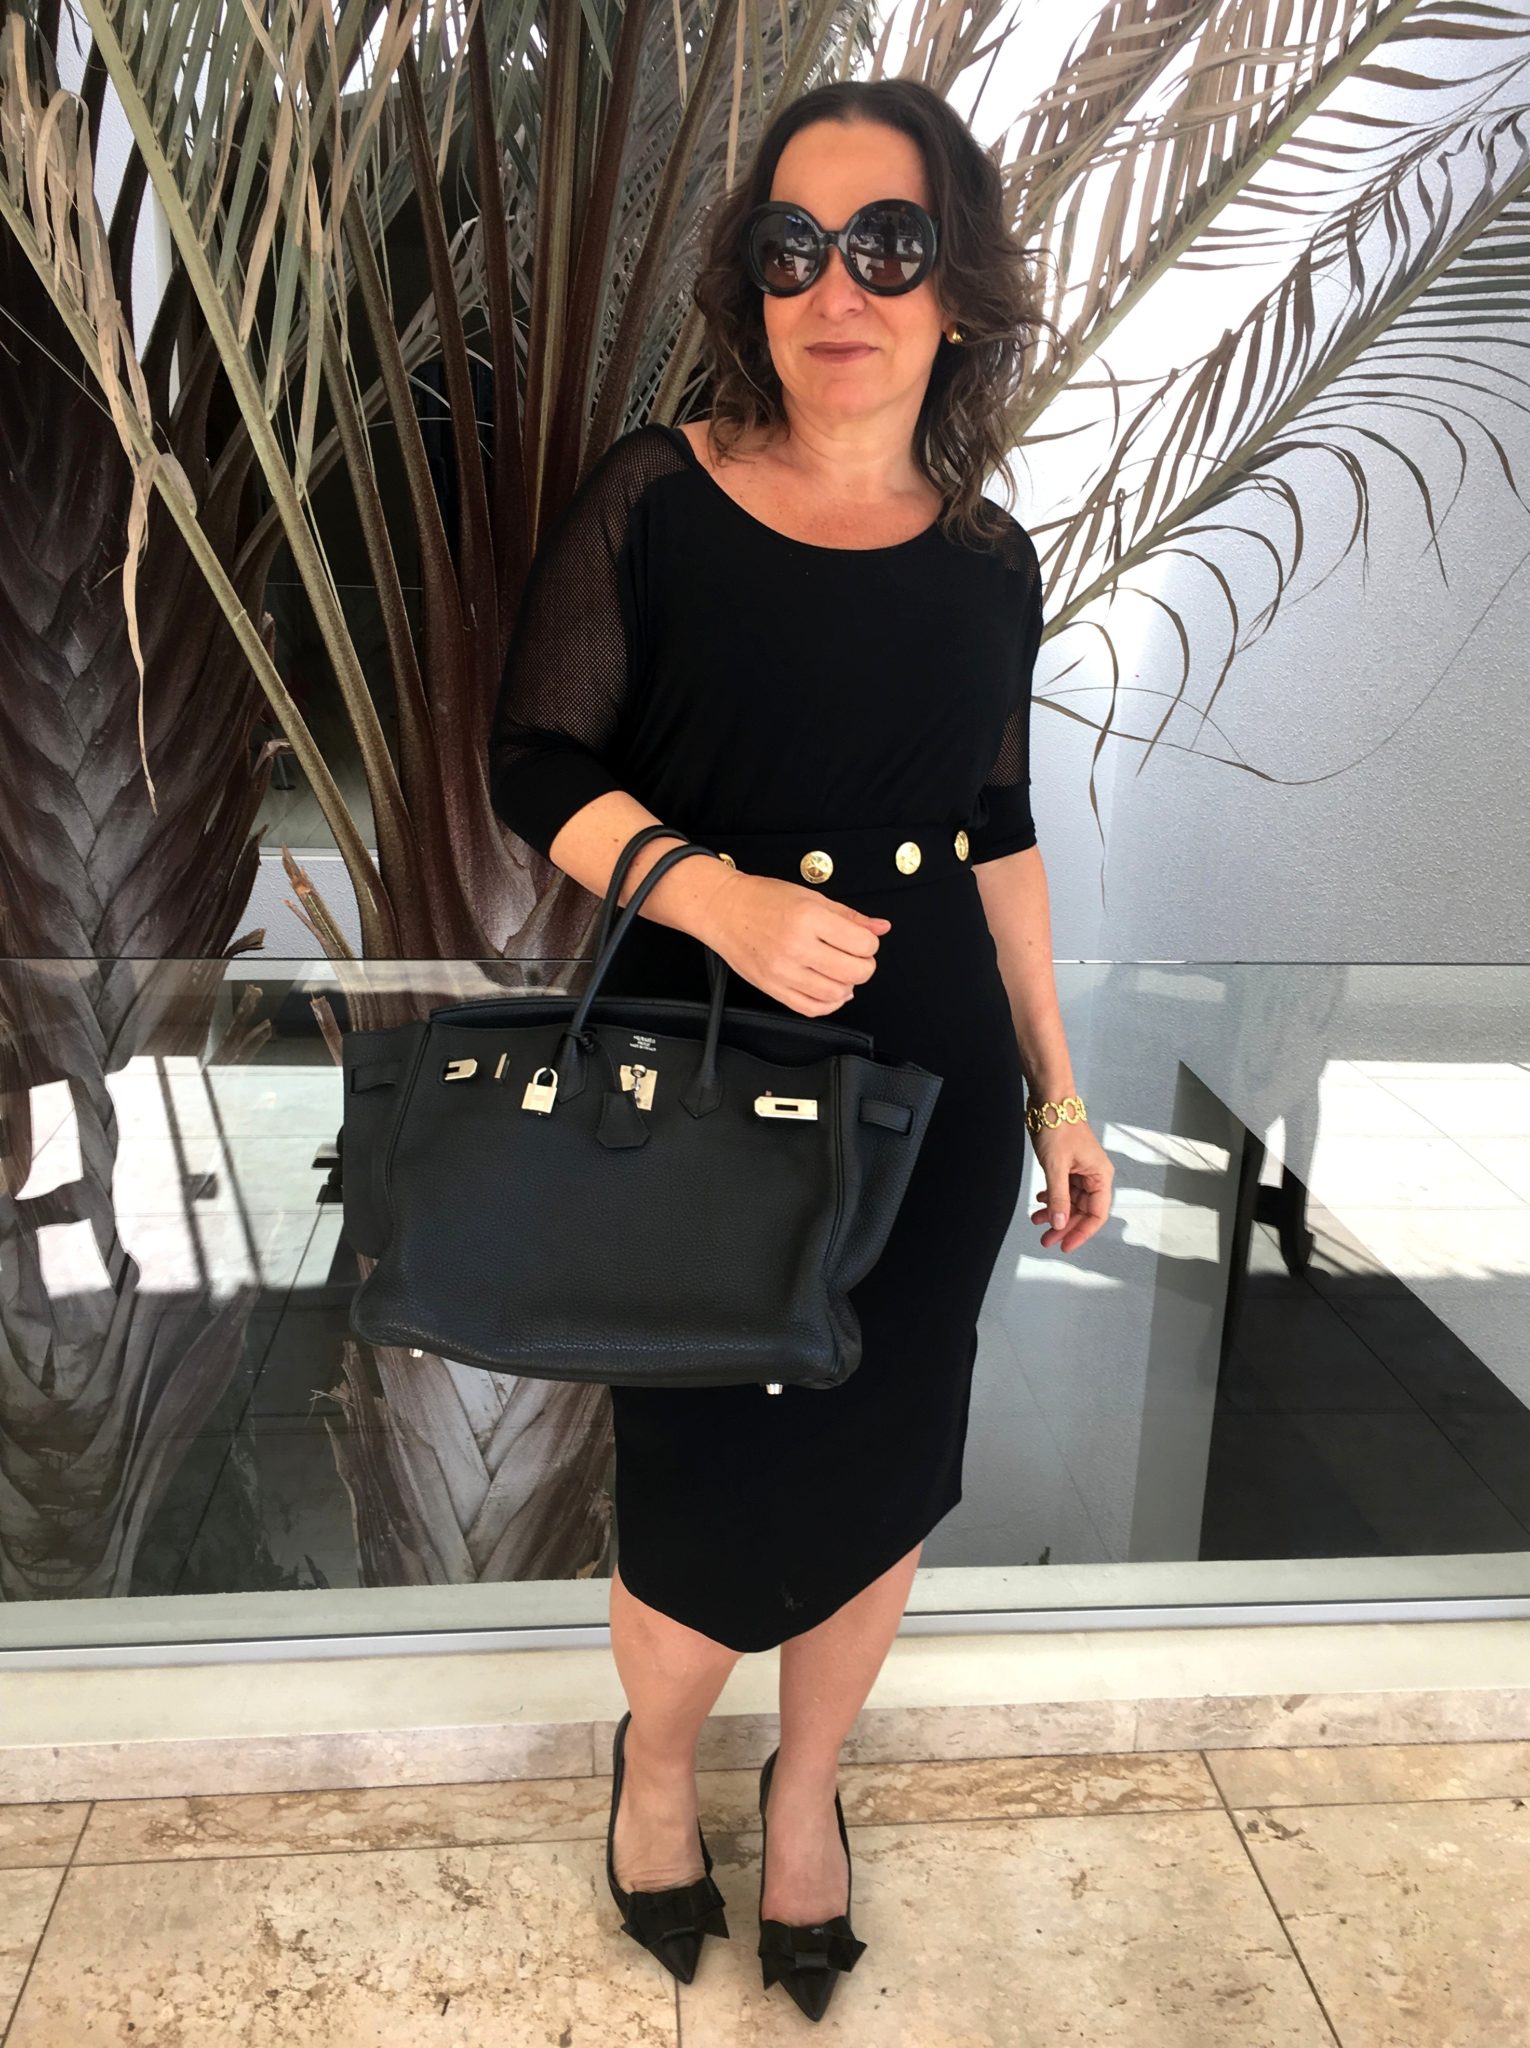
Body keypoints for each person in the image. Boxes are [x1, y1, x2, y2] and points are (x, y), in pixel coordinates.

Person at [487, 75, 1115, 2021]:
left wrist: (1060, 1085)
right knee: (691, 1467)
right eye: (792, 247)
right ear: (749, 283)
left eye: (887, 245)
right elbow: (535, 762)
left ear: (958, 287)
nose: (835, 287)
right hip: (694, 1073)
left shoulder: (990, 560)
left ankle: (809, 1784)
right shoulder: (657, 497)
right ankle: (658, 1768)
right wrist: (714, 897)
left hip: (931, 1092)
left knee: (886, 1455)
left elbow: (997, 830)